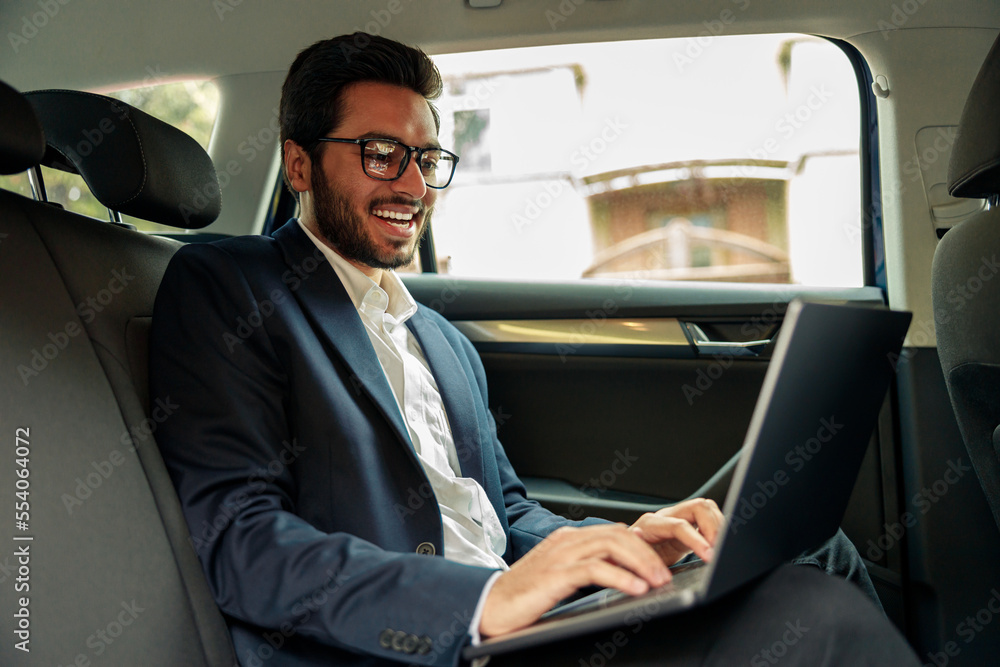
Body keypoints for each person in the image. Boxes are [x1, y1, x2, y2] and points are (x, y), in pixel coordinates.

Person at [149, 33, 920, 666]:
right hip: (421, 643)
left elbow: (503, 508)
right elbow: (240, 539)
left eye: (427, 159)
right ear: (298, 163)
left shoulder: (440, 338)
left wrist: (612, 542)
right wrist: (482, 600)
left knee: (823, 551)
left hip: (528, 622)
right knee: (810, 613)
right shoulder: (231, 288)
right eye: (382, 153)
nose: (413, 184)